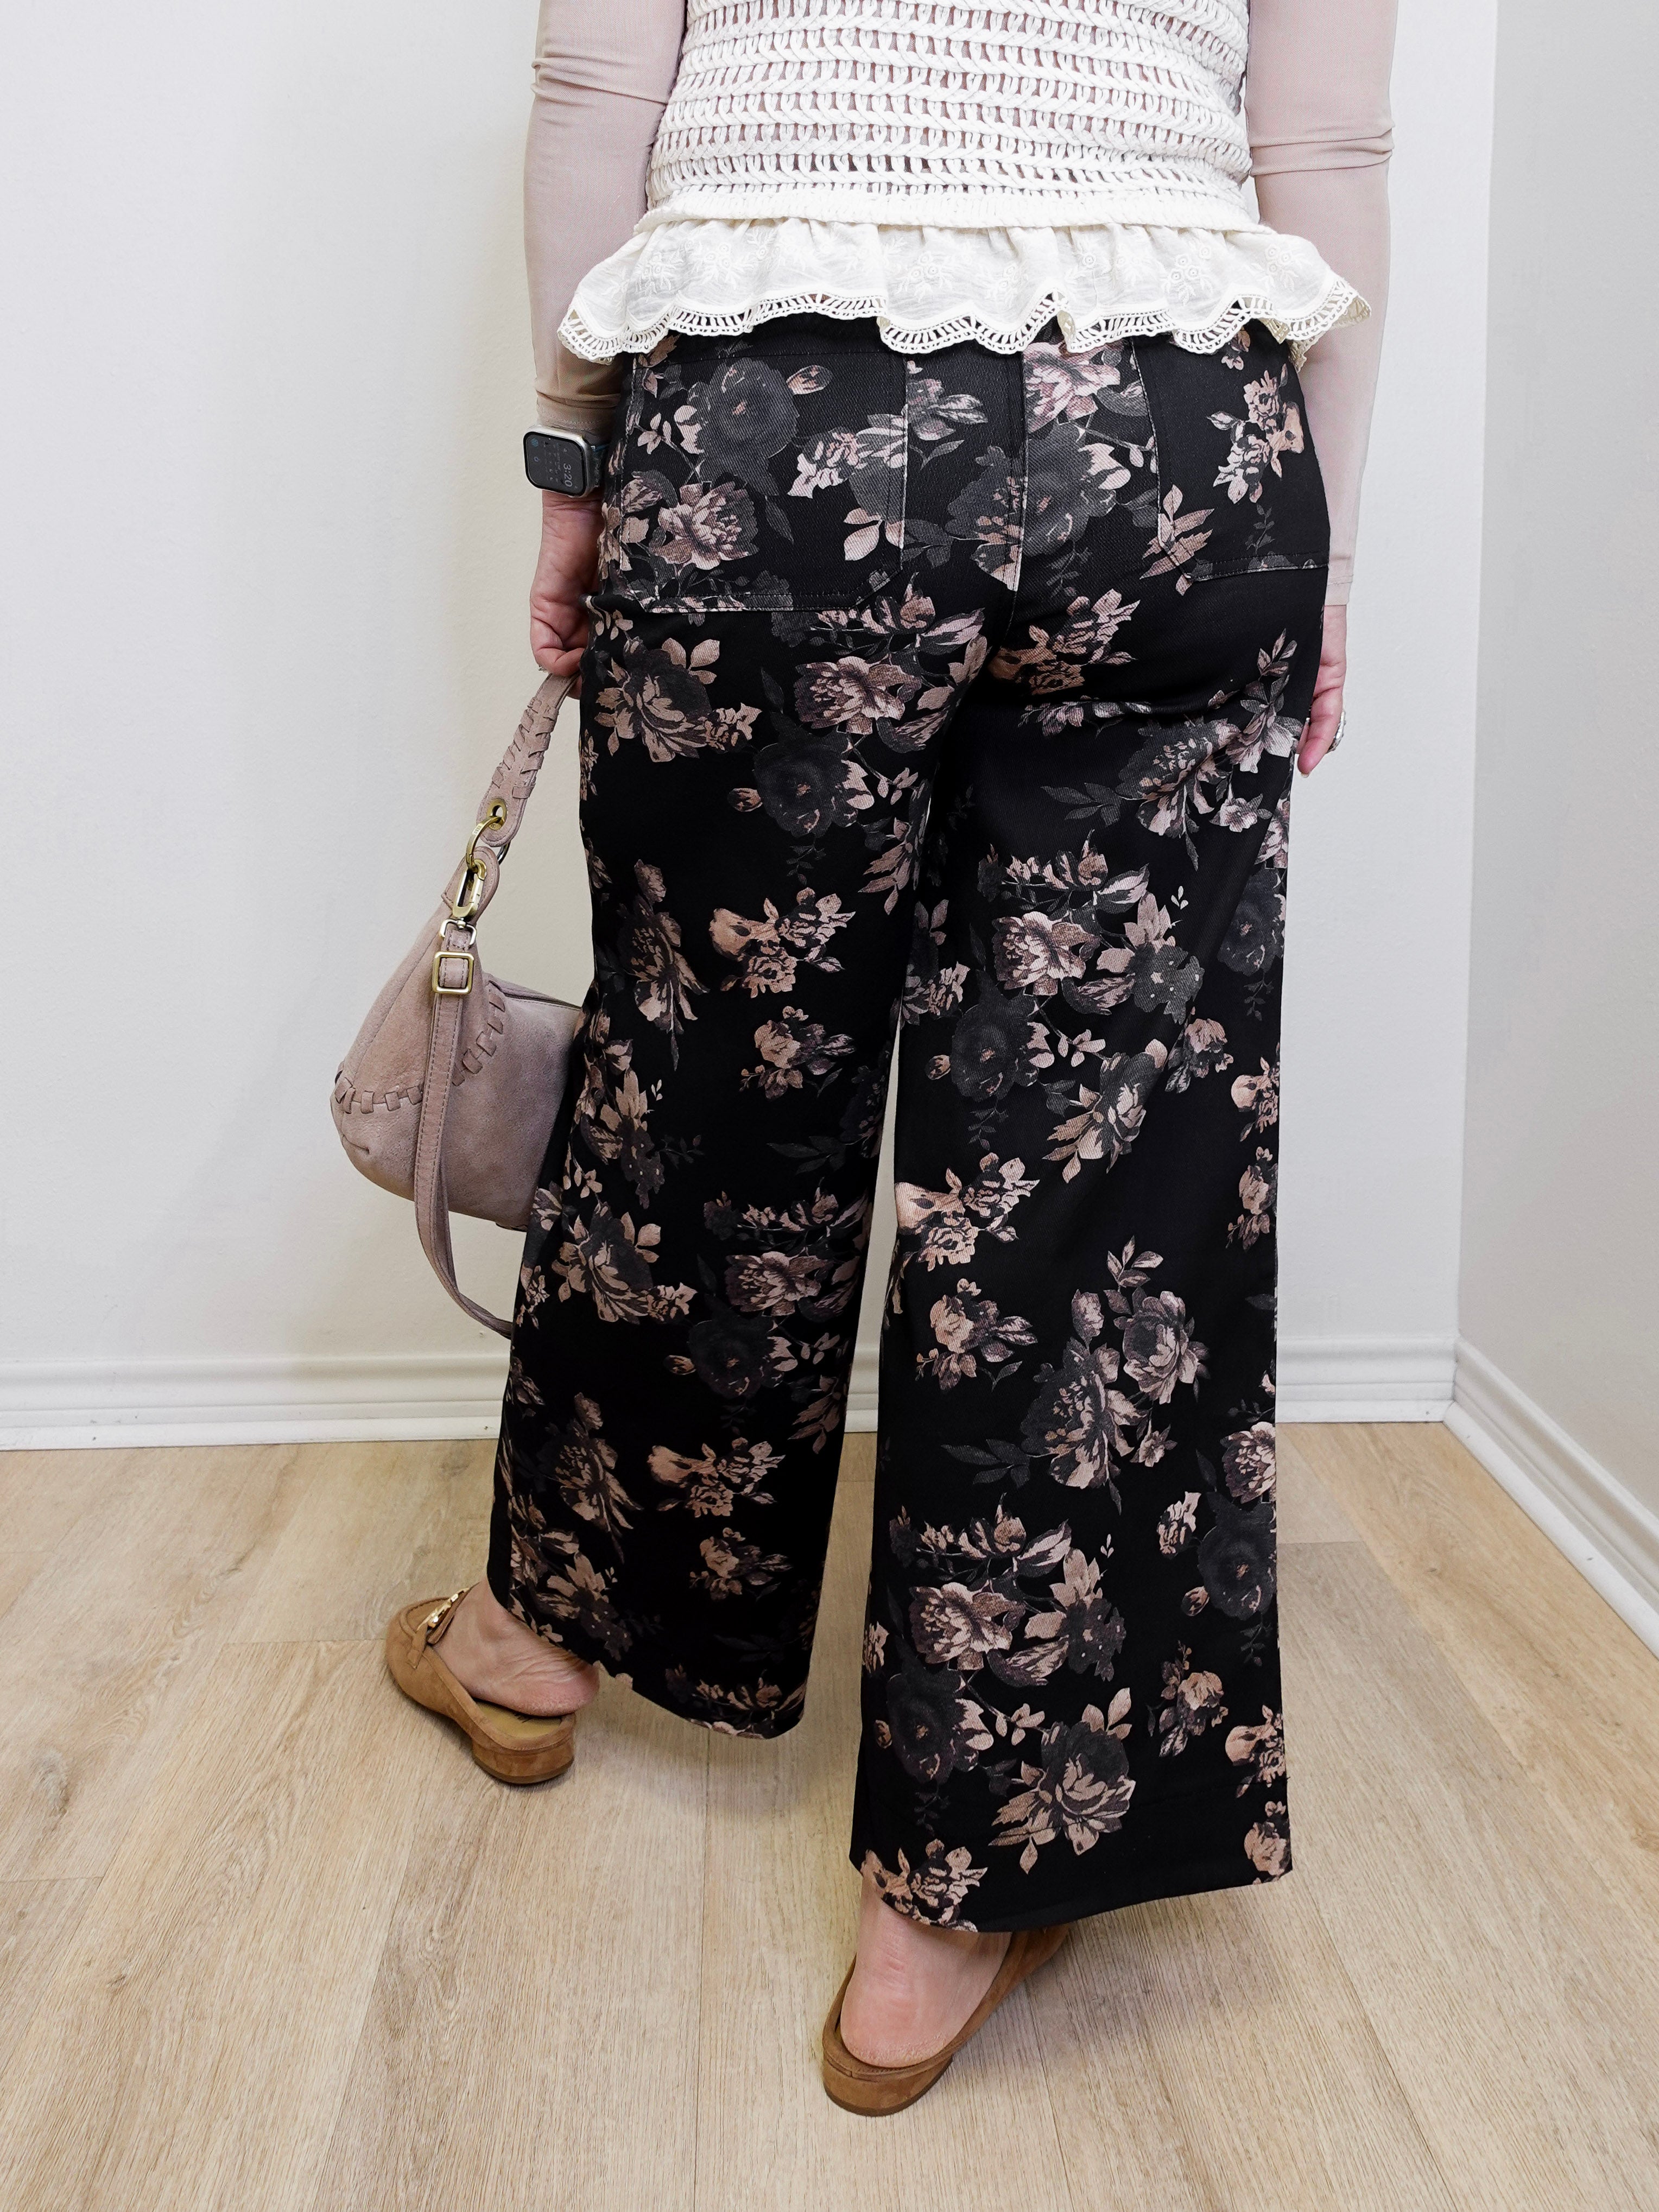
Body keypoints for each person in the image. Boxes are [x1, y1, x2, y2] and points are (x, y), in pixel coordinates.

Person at [385, 0, 1396, 2114]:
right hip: (1175, 445)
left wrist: (575, 460)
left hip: (777, 415)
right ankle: (950, 1894)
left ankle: (541, 1631)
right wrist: (1326, 550)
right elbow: (1327, 153)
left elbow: (595, 88)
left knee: (712, 1069)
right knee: (1099, 1164)